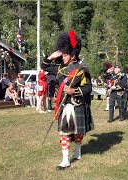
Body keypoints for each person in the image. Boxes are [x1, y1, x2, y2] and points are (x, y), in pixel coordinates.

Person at [41, 30, 94, 171]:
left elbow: (88, 88)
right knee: (63, 132)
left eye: (65, 54)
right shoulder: (60, 68)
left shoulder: (82, 70)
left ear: (73, 55)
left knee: (77, 133)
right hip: (64, 105)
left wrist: (74, 90)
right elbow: (44, 66)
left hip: (77, 104)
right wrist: (52, 56)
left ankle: (77, 151)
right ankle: (65, 160)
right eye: (63, 54)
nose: (63, 57)